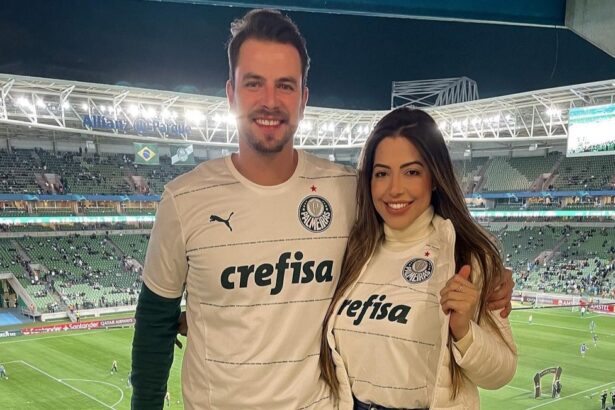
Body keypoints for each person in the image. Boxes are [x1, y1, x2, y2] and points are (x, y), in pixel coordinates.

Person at [131, 8, 515, 410]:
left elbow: (415, 211)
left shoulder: (348, 190)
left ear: (303, 99)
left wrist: (491, 274)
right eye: (253, 83)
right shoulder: (184, 200)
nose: (269, 101)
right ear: (230, 93)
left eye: (285, 85)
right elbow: (155, 325)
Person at [320, 108, 517, 409]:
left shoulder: (468, 257)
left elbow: (501, 373)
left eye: (412, 172)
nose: (395, 188)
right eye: (382, 173)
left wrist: (464, 331)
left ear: (435, 178)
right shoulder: (352, 251)